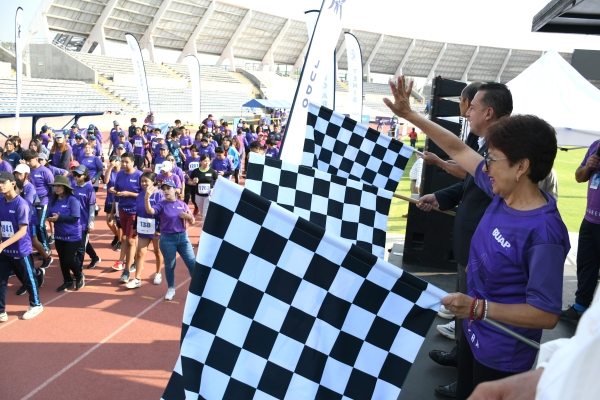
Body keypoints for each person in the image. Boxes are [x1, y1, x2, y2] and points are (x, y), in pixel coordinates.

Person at [384, 76, 570, 400]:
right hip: (473, 331)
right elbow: (457, 148)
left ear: (521, 167)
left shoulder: (544, 233)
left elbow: (546, 314)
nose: (486, 168)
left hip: (502, 352)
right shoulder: (500, 193)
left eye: (494, 160)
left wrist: (479, 308)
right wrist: (411, 116)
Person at [419, 82, 509, 398]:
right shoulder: (487, 145)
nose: (467, 112)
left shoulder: (502, 149)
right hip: (468, 241)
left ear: (489, 112)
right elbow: (469, 184)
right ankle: (463, 368)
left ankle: (469, 384)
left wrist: (408, 114)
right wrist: (438, 197)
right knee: (467, 315)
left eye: (471, 107)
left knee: (476, 317)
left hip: (481, 247)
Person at [561, 138, 600, 323]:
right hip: (590, 219)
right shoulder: (596, 145)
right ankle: (579, 309)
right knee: (586, 266)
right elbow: (579, 176)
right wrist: (588, 167)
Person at [0, 172, 44, 321]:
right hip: (5, 250)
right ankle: (1, 311)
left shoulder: (21, 205)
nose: (0, 185)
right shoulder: (1, 201)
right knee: (1, 280)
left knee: (28, 279)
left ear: (13, 183)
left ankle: (36, 304)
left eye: (3, 182)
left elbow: (22, 231)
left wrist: (2, 244)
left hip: (20, 249)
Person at [144, 180, 196, 301]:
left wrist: (188, 217)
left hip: (183, 237)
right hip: (167, 239)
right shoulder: (161, 204)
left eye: (168, 188)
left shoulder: (182, 204)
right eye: (164, 189)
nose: (166, 191)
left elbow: (192, 221)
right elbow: (150, 211)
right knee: (170, 265)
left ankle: (197, 290)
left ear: (175, 190)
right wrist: (147, 198)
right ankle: (171, 288)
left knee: (192, 264)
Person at [126, 171, 164, 289]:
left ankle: (158, 273)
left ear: (153, 182)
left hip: (156, 227)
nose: (143, 183)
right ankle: (137, 279)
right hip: (143, 227)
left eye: (146, 181)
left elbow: (163, 213)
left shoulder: (159, 195)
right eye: (142, 181)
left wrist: (159, 228)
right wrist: (136, 227)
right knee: (140, 253)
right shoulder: (140, 195)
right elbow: (137, 212)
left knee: (157, 252)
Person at [48, 175, 85, 292]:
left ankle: (79, 275)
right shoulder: (52, 200)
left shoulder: (72, 200)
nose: (56, 188)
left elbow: (75, 218)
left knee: (68, 259)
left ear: (65, 187)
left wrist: (60, 218)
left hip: (73, 235)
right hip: (59, 235)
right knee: (62, 260)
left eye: (59, 186)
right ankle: (67, 281)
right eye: (55, 186)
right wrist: (50, 218)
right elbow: (49, 213)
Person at [110, 152, 142, 283]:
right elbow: (116, 194)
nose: (123, 164)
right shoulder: (120, 174)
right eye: (122, 161)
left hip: (135, 212)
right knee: (125, 239)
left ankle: (127, 271)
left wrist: (129, 194)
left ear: (133, 162)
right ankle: (132, 262)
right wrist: (113, 211)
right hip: (122, 210)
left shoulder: (139, 175)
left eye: (126, 162)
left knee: (130, 240)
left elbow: (144, 194)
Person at [23, 150, 54, 255]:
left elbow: (53, 188)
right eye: (26, 161)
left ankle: (46, 249)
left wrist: (51, 203)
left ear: (36, 159)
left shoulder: (45, 171)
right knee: (34, 225)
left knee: (40, 225)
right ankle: (40, 247)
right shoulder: (27, 171)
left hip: (42, 201)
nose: (27, 163)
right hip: (31, 202)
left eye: (29, 161)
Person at [72, 165, 101, 270]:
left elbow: (92, 207)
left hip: (84, 222)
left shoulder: (89, 189)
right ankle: (94, 257)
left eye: (79, 175)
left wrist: (91, 223)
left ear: (85, 176)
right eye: (75, 174)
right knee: (82, 243)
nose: (76, 177)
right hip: (73, 222)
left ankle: (78, 270)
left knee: (80, 248)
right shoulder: (72, 187)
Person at [188, 154, 218, 222]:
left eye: (208, 161)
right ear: (200, 161)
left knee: (205, 215)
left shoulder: (212, 171)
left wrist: (213, 189)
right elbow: (189, 181)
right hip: (198, 195)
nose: (207, 162)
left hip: (208, 196)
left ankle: (204, 231)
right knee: (202, 213)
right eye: (205, 161)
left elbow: (218, 182)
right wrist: (193, 182)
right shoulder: (196, 171)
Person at [104, 154, 122, 250]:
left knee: (119, 223)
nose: (113, 162)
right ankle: (116, 235)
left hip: (119, 200)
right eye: (111, 160)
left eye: (115, 160)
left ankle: (120, 241)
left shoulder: (122, 173)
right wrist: (110, 168)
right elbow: (106, 181)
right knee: (109, 222)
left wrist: (116, 191)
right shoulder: (109, 171)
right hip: (110, 200)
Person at [184, 145, 201, 215]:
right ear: (190, 151)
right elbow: (186, 169)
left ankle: (196, 206)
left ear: (198, 152)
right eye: (192, 151)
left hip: (196, 182)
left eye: (195, 151)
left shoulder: (200, 159)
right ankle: (184, 209)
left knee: (194, 199)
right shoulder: (188, 159)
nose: (194, 152)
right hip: (188, 181)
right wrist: (187, 176)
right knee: (187, 196)